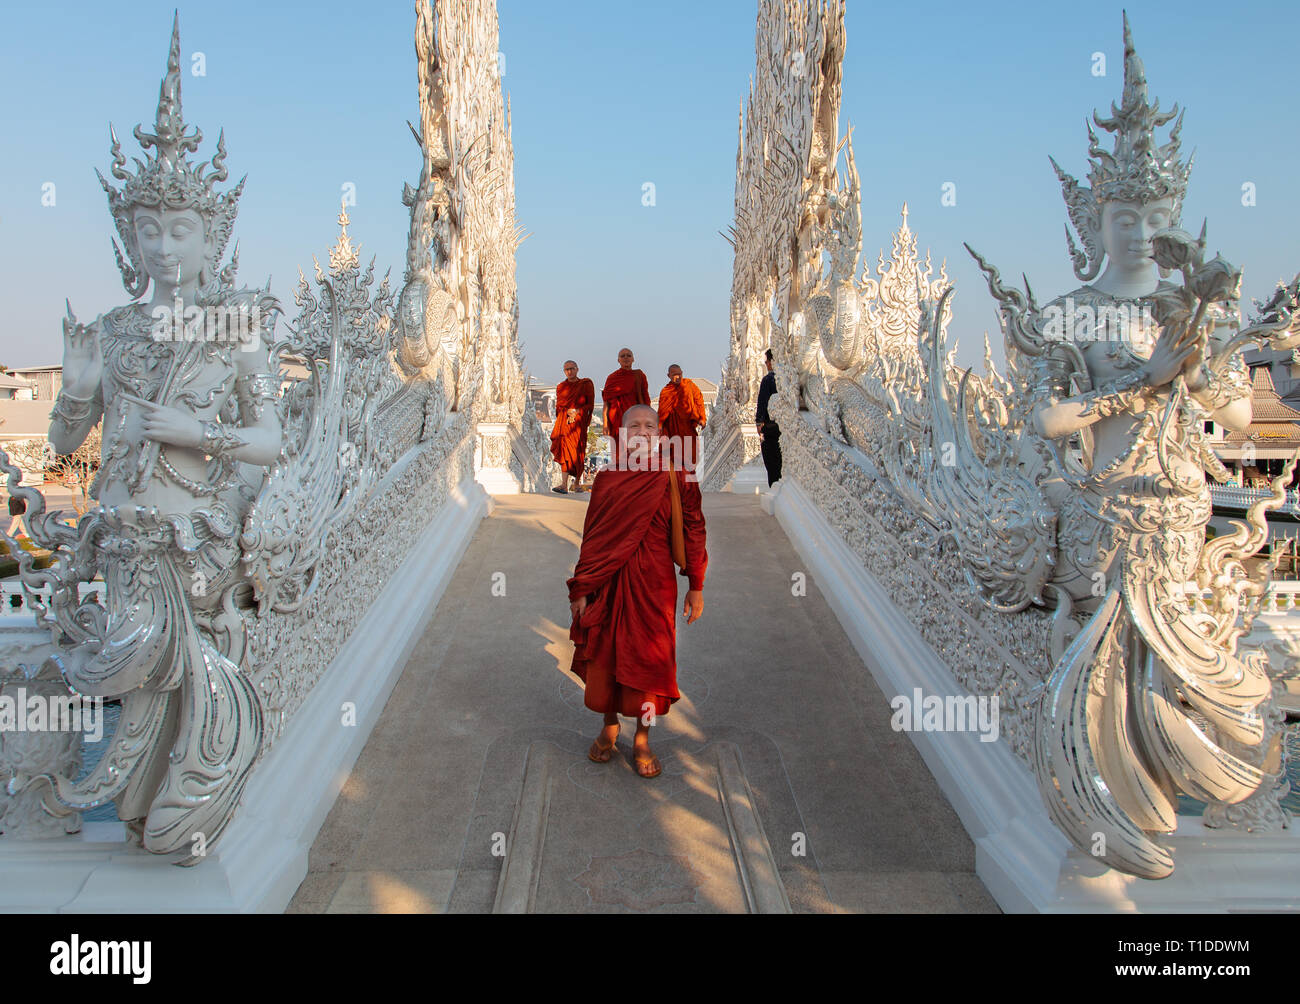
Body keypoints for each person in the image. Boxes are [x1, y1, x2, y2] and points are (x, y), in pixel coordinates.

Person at [567, 405, 707, 779]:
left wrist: (696, 584)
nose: (642, 432)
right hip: (608, 582)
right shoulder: (608, 479)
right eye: (634, 426)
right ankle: (610, 724)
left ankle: (643, 738)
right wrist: (582, 587)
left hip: (654, 585)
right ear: (622, 435)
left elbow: (694, 527)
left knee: (649, 662)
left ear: (662, 435)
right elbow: (592, 538)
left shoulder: (677, 476)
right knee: (606, 656)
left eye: (650, 425)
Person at [550, 360, 595, 494]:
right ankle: (564, 484)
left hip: (578, 424)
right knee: (564, 451)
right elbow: (559, 406)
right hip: (565, 423)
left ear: (577, 369)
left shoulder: (585, 384)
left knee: (577, 452)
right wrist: (567, 413)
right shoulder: (561, 387)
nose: (569, 371)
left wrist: (577, 411)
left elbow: (590, 405)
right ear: (564, 372)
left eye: (572, 368)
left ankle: (576, 483)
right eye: (566, 369)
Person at [657, 364, 707, 474]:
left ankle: (689, 482)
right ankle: (676, 483)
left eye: (680, 374)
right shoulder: (666, 391)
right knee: (673, 458)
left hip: (688, 427)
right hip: (672, 430)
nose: (678, 377)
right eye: (674, 375)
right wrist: (659, 426)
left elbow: (699, 400)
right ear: (668, 375)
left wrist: (702, 417)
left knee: (690, 456)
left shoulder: (689, 385)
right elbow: (662, 411)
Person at [601, 348, 650, 444]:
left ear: (633, 359)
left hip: (636, 420)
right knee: (621, 454)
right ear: (618, 360)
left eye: (629, 355)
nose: (626, 358)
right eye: (622, 356)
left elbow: (646, 399)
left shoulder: (639, 375)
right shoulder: (612, 378)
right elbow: (606, 403)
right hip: (618, 421)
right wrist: (605, 424)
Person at [756, 349, 781, 486]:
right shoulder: (786, 378)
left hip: (770, 427)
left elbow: (762, 402)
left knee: (771, 461)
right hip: (782, 427)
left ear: (771, 362)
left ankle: (774, 486)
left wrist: (759, 423)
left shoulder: (768, 380)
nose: (766, 364)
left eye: (767, 361)